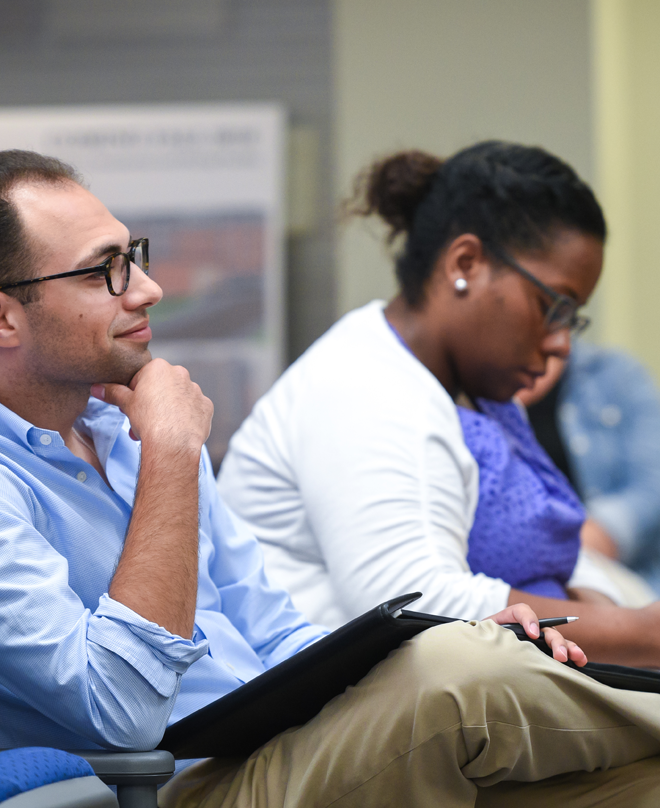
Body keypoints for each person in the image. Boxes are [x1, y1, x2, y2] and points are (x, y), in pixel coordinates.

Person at [0, 149, 660, 807]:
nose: (148, 289)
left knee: (609, 764)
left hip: (281, 745)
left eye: (132, 256)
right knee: (464, 671)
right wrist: (173, 456)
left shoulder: (119, 423)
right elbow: (120, 717)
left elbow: (279, 633)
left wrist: (396, 659)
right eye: (103, 271)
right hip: (173, 787)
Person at [217, 141, 660, 667]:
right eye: (552, 305)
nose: (562, 341)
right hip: (324, 717)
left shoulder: (474, 394)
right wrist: (635, 633)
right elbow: (413, 605)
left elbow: (554, 548)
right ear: (465, 263)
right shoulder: (365, 385)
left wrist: (613, 619)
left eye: (573, 317)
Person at [519, 344, 660, 596]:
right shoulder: (472, 395)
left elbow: (651, 487)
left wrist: (585, 539)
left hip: (610, 565)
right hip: (524, 575)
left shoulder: (616, 374)